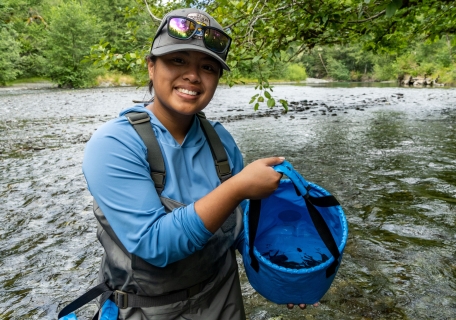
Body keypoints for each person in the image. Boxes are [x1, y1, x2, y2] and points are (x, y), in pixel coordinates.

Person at [77, 7, 313, 320]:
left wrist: (284, 276)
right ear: (151, 66)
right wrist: (237, 188)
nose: (193, 75)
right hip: (148, 309)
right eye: (178, 60)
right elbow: (154, 244)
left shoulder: (221, 140)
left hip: (223, 295)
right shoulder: (113, 145)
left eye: (207, 67)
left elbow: (240, 227)